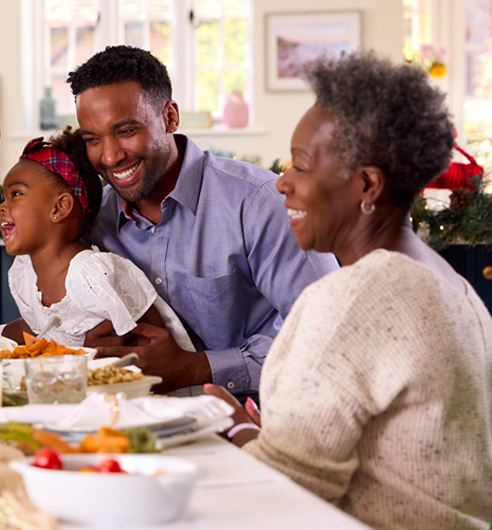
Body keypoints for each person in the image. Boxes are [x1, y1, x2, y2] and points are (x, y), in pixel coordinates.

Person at [204, 51, 492, 529]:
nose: (282, 183)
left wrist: (234, 428)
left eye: (300, 166)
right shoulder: (446, 279)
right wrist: (268, 438)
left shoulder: (351, 299)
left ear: (367, 185)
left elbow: (280, 494)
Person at [67, 46, 339, 396]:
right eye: (92, 139)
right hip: (139, 422)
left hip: (258, 424)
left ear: (170, 118)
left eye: (126, 131)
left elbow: (330, 332)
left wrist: (196, 368)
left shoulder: (259, 202)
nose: (109, 156)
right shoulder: (96, 221)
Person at [0, 129, 194, 352]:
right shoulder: (25, 273)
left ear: (60, 207)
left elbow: (156, 346)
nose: (1, 207)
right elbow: (39, 330)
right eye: (2, 198)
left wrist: (83, 355)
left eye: (16, 194)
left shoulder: (93, 273)